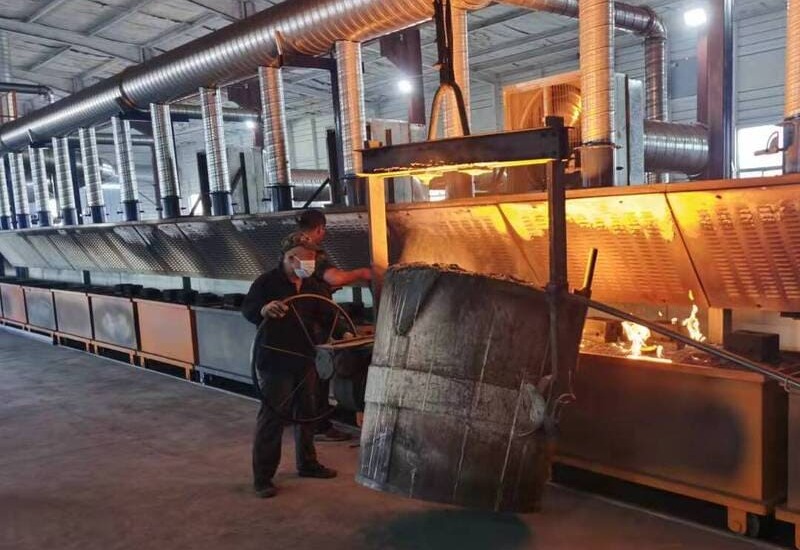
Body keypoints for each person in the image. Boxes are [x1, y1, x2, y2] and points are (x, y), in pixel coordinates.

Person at [241, 232, 338, 499]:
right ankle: (263, 478)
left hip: (305, 358)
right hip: (275, 360)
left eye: (313, 258)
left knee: (307, 414)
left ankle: (307, 464)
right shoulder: (266, 283)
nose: (311, 263)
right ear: (290, 258)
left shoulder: (313, 285)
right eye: (307, 258)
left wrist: (343, 333)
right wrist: (263, 309)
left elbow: (328, 314)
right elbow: (248, 310)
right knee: (273, 416)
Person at [295, 209, 372, 442]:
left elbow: (313, 281)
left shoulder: (290, 245)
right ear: (320, 229)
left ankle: (305, 421)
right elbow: (334, 277)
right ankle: (319, 426)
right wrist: (363, 273)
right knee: (318, 374)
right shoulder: (310, 249)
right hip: (313, 321)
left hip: (301, 318)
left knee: (307, 375)